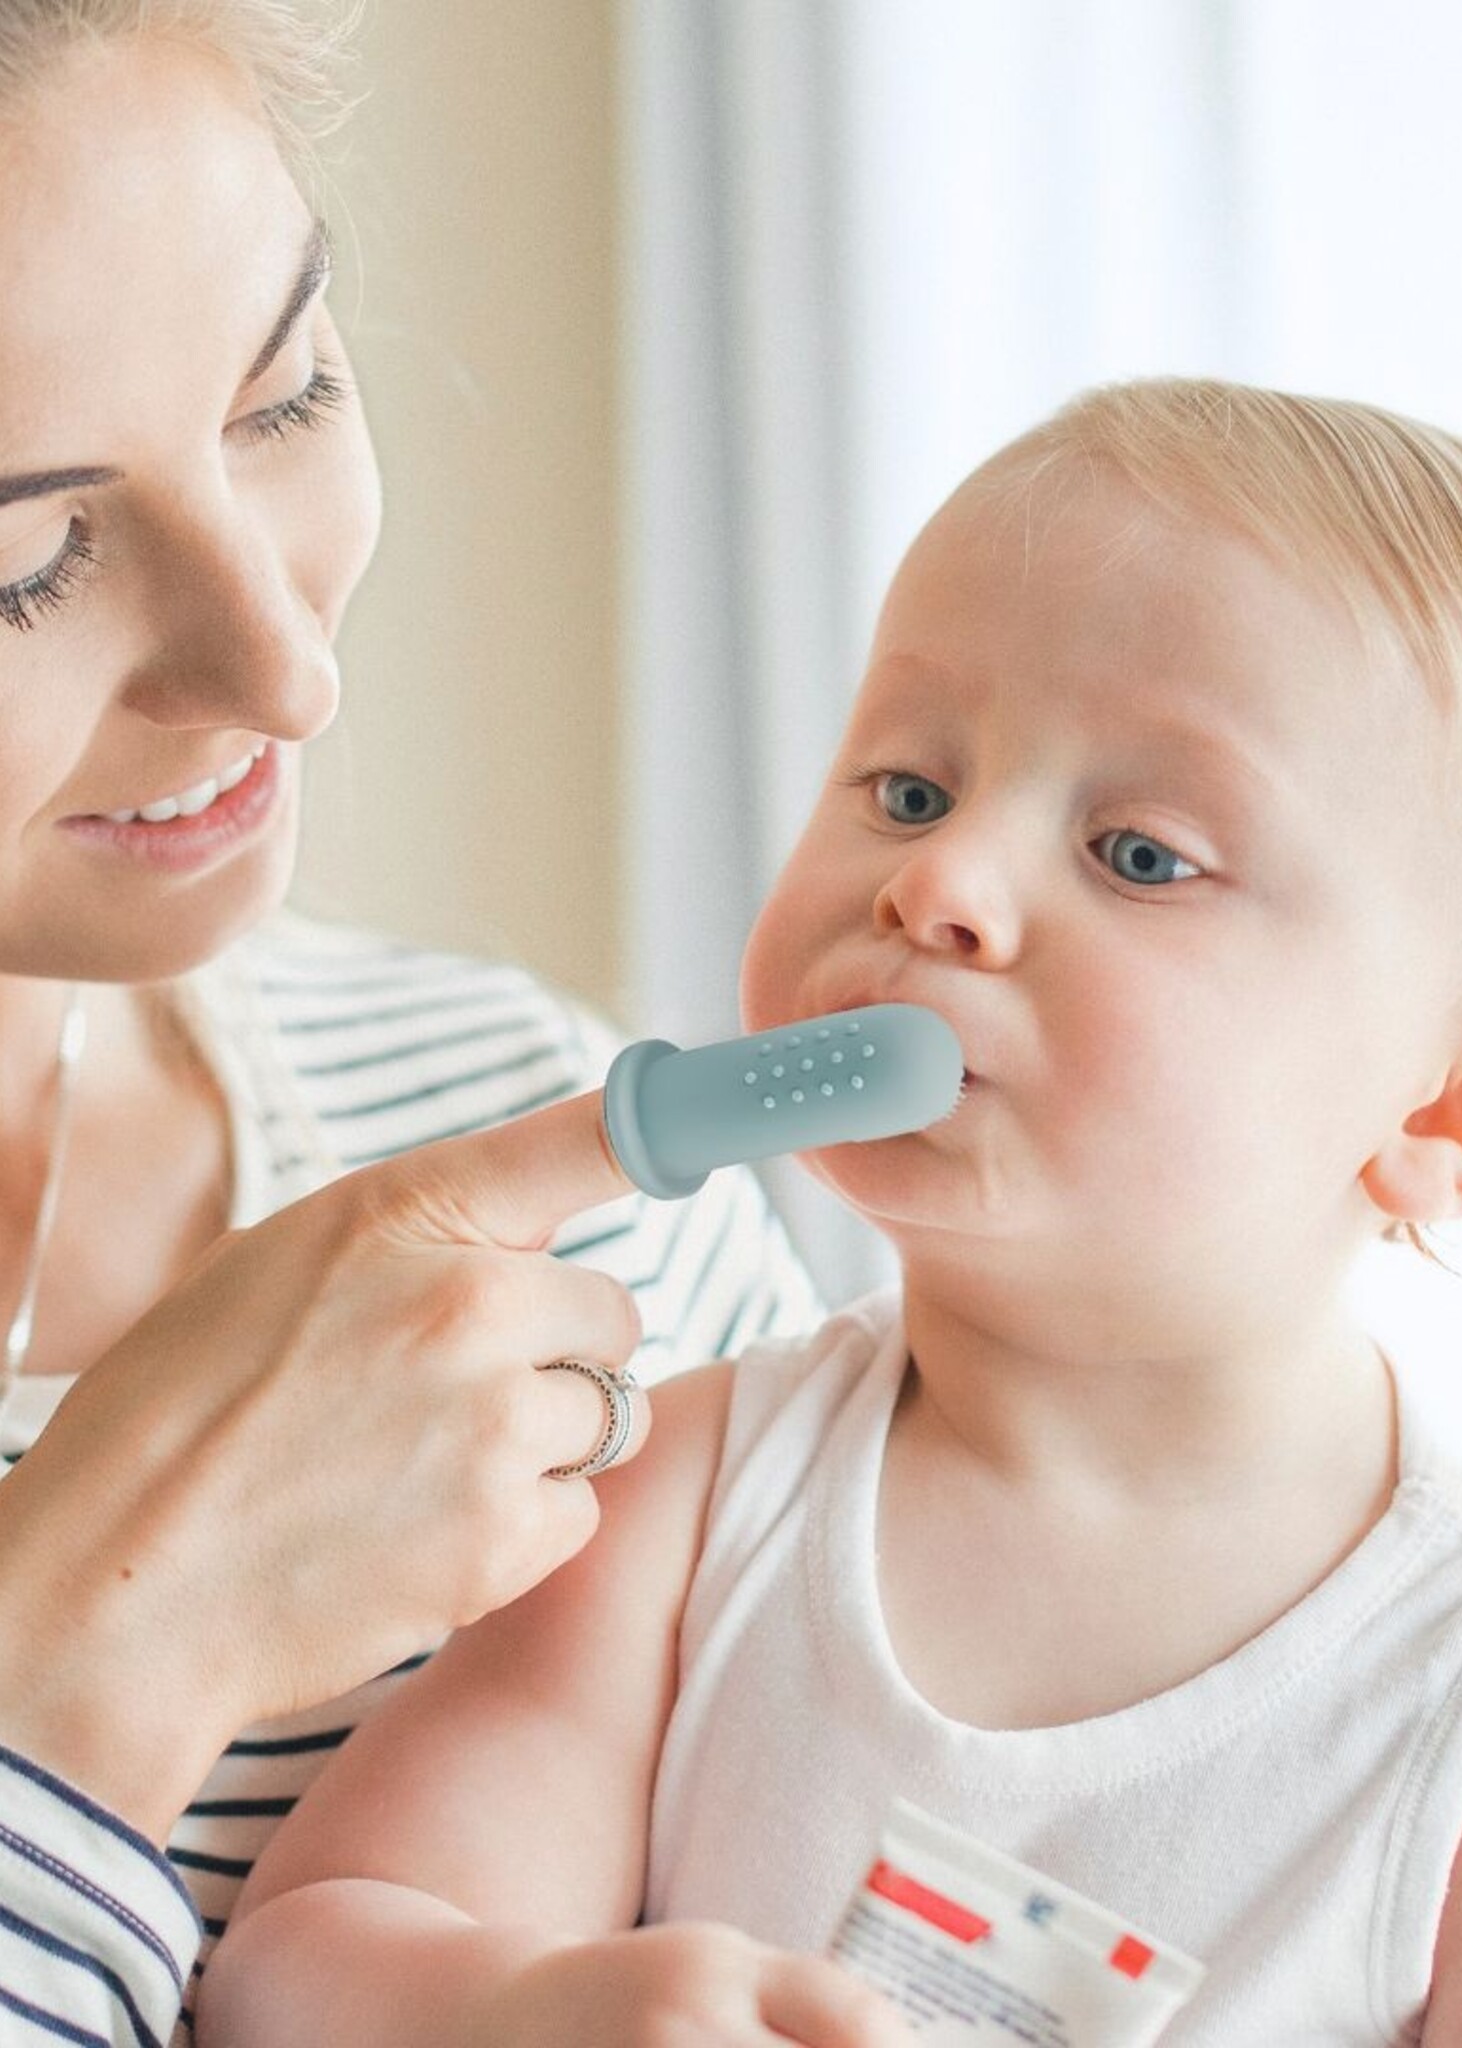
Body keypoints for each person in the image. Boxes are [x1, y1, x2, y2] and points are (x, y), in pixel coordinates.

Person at [197, 374, 1462, 2048]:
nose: (933, 886)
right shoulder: (675, 1500)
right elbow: (294, 1967)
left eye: (1140, 854)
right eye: (911, 789)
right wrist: (519, 2002)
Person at [0, 5, 828, 2044]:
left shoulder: (540, 1159)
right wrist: (94, 1657)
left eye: (283, 394)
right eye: (21, 566)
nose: (283, 671)